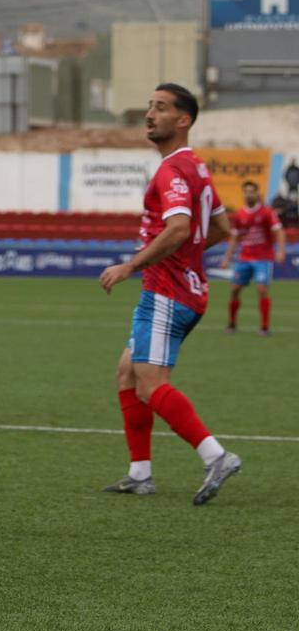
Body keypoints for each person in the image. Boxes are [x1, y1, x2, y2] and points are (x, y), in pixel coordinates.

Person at [98, 83, 240, 505]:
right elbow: (221, 228)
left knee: (150, 385)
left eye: (161, 108)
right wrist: (186, 257)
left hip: (166, 292)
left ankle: (215, 456)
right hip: (185, 290)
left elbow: (179, 228)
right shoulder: (197, 167)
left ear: (183, 120)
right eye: (150, 106)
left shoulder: (171, 170)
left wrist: (132, 265)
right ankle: (140, 474)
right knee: (127, 374)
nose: (149, 114)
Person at [220, 180, 286, 336]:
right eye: (246, 191)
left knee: (262, 289)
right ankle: (232, 324)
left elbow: (280, 231)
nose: (249, 194)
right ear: (243, 194)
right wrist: (227, 258)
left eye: (252, 191)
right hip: (244, 258)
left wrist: (281, 250)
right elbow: (235, 238)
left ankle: (264, 327)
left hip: (263, 258)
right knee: (234, 290)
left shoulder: (267, 212)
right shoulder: (239, 215)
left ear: (257, 193)